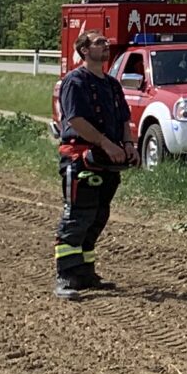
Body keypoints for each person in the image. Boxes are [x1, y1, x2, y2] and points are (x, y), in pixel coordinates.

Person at [52, 32, 131, 298]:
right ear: (84, 50)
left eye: (106, 42)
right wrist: (106, 143)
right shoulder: (74, 82)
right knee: (78, 215)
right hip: (81, 157)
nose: (106, 45)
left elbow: (123, 119)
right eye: (99, 42)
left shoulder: (112, 84)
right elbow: (75, 120)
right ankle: (66, 275)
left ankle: (85, 273)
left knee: (98, 216)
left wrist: (128, 146)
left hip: (108, 161)